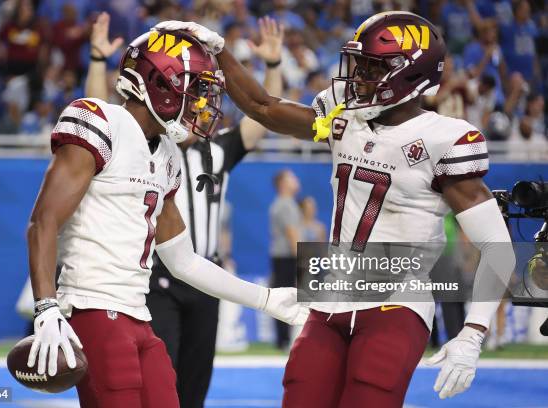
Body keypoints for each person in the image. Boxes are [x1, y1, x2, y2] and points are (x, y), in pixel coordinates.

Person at [157, 10, 515, 406]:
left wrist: (473, 333)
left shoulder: (443, 139)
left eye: (371, 67)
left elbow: (497, 245)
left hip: (395, 301)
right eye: (359, 64)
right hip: (330, 294)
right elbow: (263, 107)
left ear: (409, 74)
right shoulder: (345, 114)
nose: (358, 75)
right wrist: (221, 52)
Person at [25, 27, 307, 408]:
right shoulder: (99, 122)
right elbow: (43, 221)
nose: (203, 106)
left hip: (138, 316)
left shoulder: (168, 155)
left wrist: (267, 299)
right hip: (94, 309)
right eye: (196, 92)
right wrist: (46, 308)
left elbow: (185, 260)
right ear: (160, 85)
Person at [84, 13, 286, 408]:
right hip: (156, 275)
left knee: (195, 386)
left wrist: (274, 66)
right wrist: (96, 60)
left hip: (203, 273)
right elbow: (106, 115)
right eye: (192, 98)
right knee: (157, 380)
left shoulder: (216, 149)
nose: (200, 109)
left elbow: (264, 117)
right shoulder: (139, 143)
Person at [269, 169, 302, 350]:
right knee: (287, 297)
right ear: (283, 184)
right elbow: (292, 234)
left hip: (282, 256)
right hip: (286, 257)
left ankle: (284, 339)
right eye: (292, 177)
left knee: (284, 296)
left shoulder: (285, 203)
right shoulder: (286, 204)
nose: (296, 180)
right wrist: (301, 258)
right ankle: (284, 340)